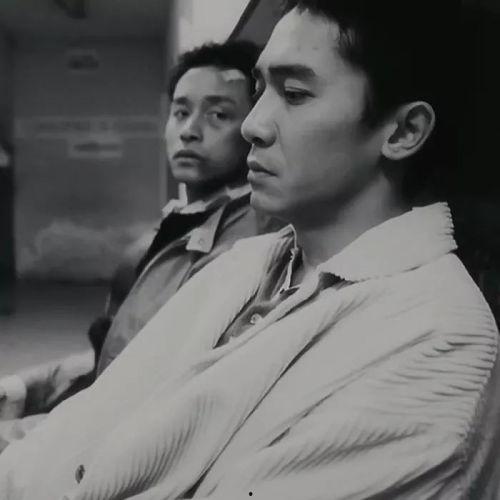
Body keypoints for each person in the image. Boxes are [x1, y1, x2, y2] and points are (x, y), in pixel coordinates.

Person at [1, 1, 499, 499]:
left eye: (295, 94)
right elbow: (93, 419)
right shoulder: (245, 263)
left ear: (403, 131)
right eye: (260, 92)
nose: (252, 126)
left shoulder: (440, 339)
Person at [0, 40, 279, 445]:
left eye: (218, 115)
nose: (189, 130)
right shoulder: (175, 227)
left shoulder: (246, 248)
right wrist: (24, 388)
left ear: (254, 128)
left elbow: (153, 409)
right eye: (180, 112)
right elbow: (116, 363)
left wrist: (17, 437)